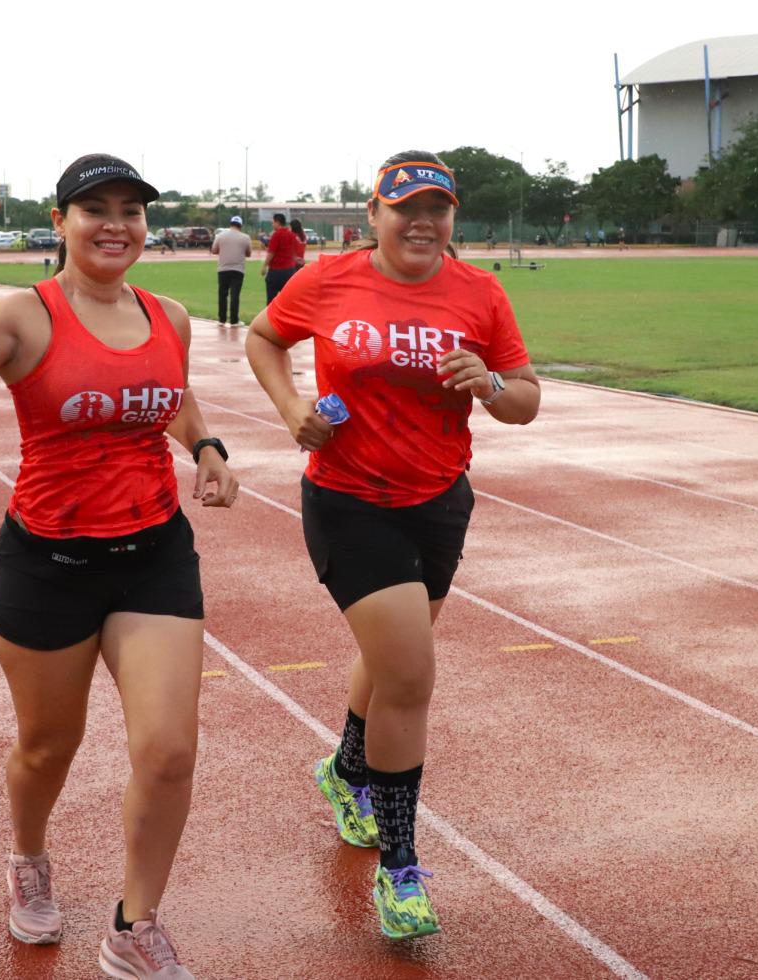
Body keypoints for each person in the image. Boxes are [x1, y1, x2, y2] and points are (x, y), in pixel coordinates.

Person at [0, 157, 236, 980]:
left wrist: (206, 444)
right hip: (49, 561)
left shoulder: (170, 315)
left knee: (168, 751)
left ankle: (134, 926)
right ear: (61, 221)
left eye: (130, 211)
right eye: (95, 210)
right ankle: (28, 859)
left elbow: (168, 392)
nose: (115, 224)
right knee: (50, 747)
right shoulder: (25, 317)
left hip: (154, 553)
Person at [244, 150, 539, 941]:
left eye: (438, 209)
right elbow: (264, 339)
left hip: (439, 499)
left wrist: (491, 383)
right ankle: (400, 869)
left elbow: (526, 400)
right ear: (372, 215)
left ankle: (345, 770)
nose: (423, 222)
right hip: (347, 498)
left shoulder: (479, 290)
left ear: (452, 219)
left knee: (393, 656)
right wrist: (289, 408)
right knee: (409, 673)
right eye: (405, 208)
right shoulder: (330, 278)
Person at [210, 215, 253, 327]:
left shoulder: (221, 235)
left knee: (222, 294)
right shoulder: (245, 237)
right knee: (235, 295)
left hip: (223, 268)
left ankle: (222, 319)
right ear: (240, 226)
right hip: (238, 269)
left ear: (230, 224)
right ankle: (234, 320)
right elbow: (248, 253)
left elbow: (214, 250)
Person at [261, 212, 300, 303]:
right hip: (289, 271)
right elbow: (291, 252)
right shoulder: (292, 235)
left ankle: (271, 317)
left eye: (273, 222)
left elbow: (272, 253)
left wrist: (264, 266)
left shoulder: (276, 235)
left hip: (276, 271)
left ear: (278, 222)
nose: (272, 224)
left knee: (271, 300)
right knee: (288, 300)